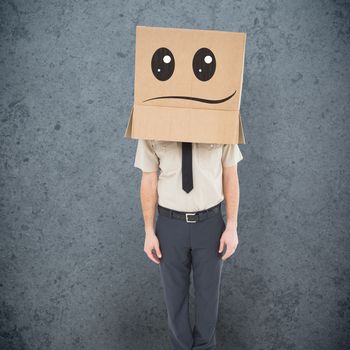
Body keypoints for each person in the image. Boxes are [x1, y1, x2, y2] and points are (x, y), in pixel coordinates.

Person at [134, 139, 243, 350]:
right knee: (174, 300)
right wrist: (149, 231)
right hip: (170, 225)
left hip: (210, 224)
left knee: (208, 299)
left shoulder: (220, 121)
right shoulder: (152, 124)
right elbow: (148, 178)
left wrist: (232, 225)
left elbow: (230, 173)